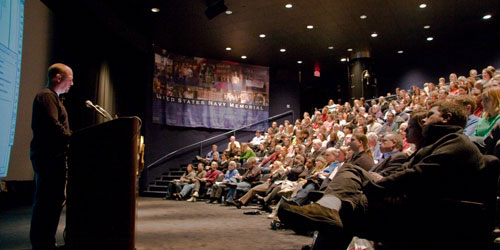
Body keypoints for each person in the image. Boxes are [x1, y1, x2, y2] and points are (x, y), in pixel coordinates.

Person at [278, 101, 484, 249]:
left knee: (350, 177)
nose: (425, 121)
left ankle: (327, 207)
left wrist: (378, 184)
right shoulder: (443, 143)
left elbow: (417, 176)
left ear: (446, 118)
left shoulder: (457, 144)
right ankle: (327, 209)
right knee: (344, 208)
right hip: (410, 204)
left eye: (430, 116)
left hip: (419, 214)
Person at [30, 63, 74, 250]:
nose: (72, 84)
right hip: (48, 158)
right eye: (70, 79)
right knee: (46, 202)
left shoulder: (54, 98)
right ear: (58, 77)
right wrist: (75, 139)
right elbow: (52, 126)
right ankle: (42, 244)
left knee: (52, 202)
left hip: (53, 157)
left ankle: (46, 242)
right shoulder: (47, 97)